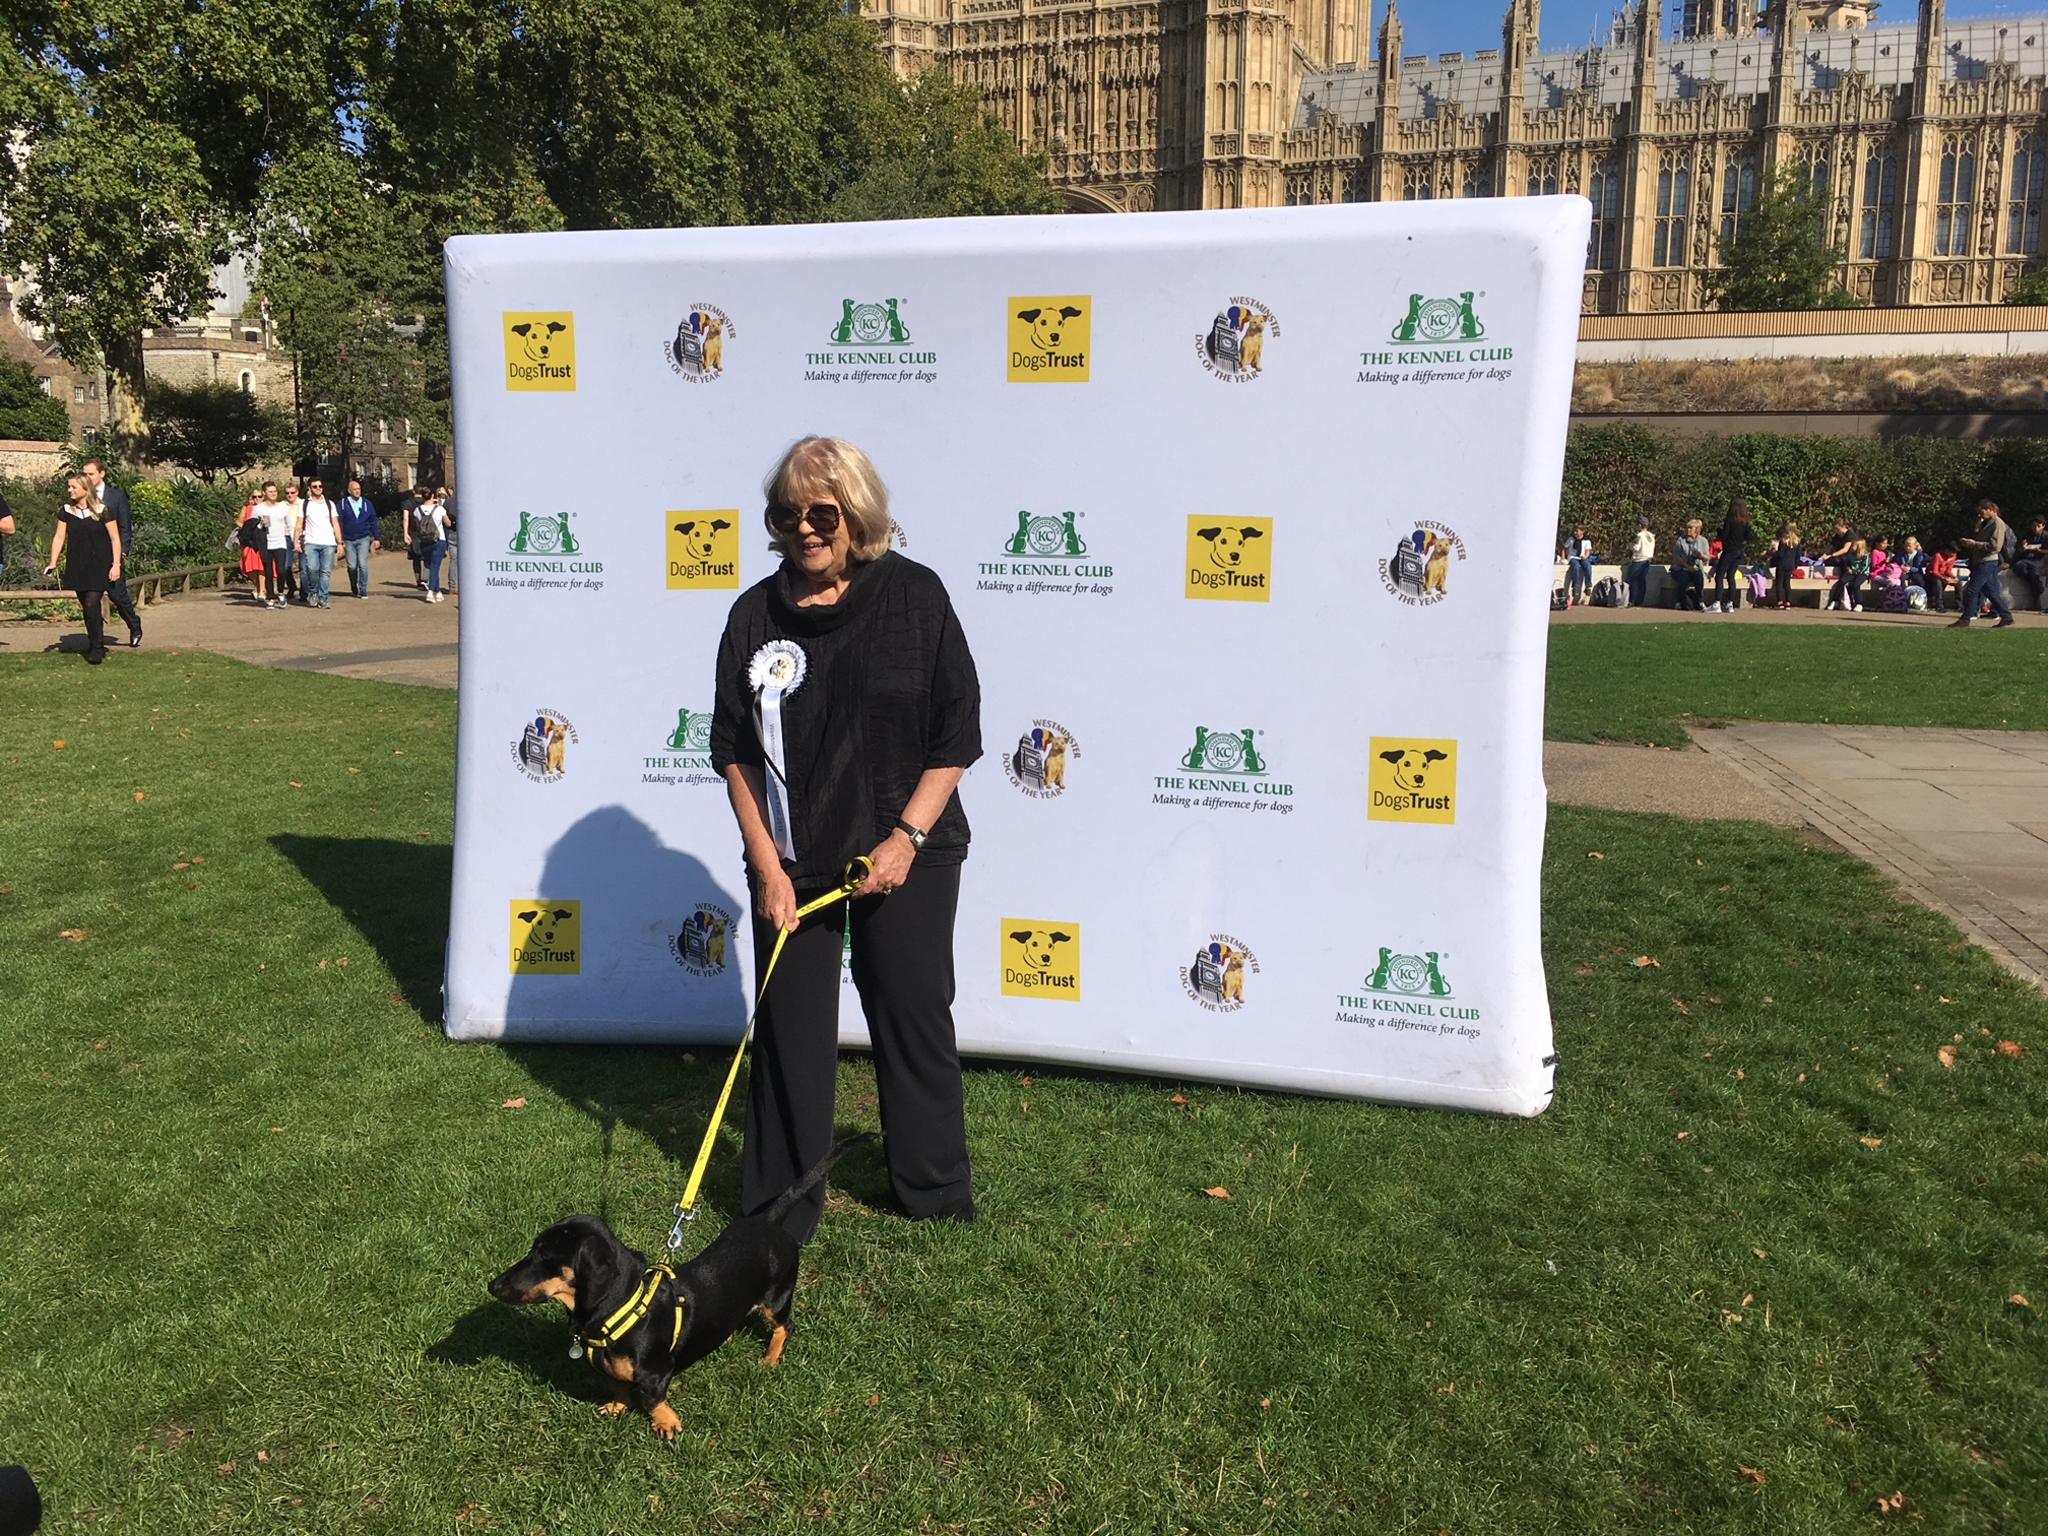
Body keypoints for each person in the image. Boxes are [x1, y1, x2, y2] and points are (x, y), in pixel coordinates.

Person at [710, 436, 981, 1241]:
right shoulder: (753, 614)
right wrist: (766, 865)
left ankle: (934, 1194)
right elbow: (733, 750)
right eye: (786, 513)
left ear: (856, 513)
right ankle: (780, 1209)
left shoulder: (916, 598)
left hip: (911, 846)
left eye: (821, 512)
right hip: (795, 858)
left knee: (911, 1012)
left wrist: (904, 840)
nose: (804, 528)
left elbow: (956, 735)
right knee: (790, 1028)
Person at [43, 472, 121, 664]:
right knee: (86, 607)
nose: (70, 490)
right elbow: (59, 537)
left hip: (99, 565)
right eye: (69, 486)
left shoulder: (104, 511)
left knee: (92, 603)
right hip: (77, 564)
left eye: (74, 487)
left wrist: (116, 564)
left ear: (86, 489)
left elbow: (114, 539)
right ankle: (94, 641)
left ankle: (97, 648)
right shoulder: (67, 511)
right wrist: (53, 562)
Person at [82, 458, 142, 648]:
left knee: (118, 596)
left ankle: (134, 625)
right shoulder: (80, 496)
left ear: (102, 473)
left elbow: (125, 528)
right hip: (89, 556)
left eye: (90, 474)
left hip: (112, 555)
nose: (87, 478)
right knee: (91, 600)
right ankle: (95, 640)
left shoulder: (116, 497)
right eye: (85, 474)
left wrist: (122, 554)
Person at [1953, 498, 2016, 628]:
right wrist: (1975, 534)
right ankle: (2006, 616)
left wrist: (1974, 544)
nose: (1980, 515)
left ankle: (1966, 619)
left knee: (1971, 590)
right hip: (1983, 561)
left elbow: (1995, 547)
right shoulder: (1985, 523)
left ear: (1990, 510)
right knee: (1991, 592)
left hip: (1987, 562)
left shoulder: (1997, 524)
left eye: (1982, 511)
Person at [298, 477, 341, 608]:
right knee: (312, 569)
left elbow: (335, 523)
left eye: (320, 486)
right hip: (311, 542)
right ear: (310, 488)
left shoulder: (330, 504)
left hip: (328, 542)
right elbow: (299, 524)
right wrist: (296, 541)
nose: (318, 488)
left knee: (326, 571)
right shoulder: (305, 504)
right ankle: (313, 592)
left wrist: (340, 542)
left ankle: (323, 597)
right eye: (315, 486)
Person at [338, 478, 379, 598]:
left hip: (363, 538)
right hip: (348, 539)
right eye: (355, 489)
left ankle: (363, 589)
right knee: (352, 566)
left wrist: (376, 538)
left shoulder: (367, 504)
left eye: (359, 489)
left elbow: (373, 521)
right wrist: (339, 540)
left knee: (363, 564)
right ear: (349, 491)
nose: (357, 491)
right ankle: (353, 585)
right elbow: (338, 522)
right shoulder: (342, 504)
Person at [1710, 496, 1752, 613]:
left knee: (1719, 575)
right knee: (1731, 576)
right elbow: (1749, 536)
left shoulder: (1730, 520)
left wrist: (1719, 530)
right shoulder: (1745, 522)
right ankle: (1730, 603)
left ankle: (1717, 602)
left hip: (1729, 551)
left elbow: (1725, 536)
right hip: (1739, 551)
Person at [257, 480, 292, 610]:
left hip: (280, 543)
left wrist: (295, 540)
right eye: (270, 491)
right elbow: (253, 526)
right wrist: (261, 524)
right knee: (268, 572)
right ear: (264, 493)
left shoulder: (283, 507)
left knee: (281, 570)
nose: (273, 493)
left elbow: (290, 524)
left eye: (275, 491)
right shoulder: (259, 508)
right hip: (265, 544)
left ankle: (281, 593)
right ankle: (270, 597)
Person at [415, 489, 452, 602]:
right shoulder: (439, 509)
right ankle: (431, 592)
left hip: (424, 541)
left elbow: (417, 525)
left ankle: (438, 592)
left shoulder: (417, 510)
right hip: (438, 540)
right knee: (435, 567)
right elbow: (448, 523)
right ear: (432, 496)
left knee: (431, 566)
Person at [1819, 518, 1860, 612]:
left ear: (1843, 527)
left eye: (1837, 529)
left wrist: (1831, 555)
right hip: (1840, 559)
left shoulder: (1850, 535)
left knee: (1842, 581)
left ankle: (1836, 601)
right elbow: (1831, 546)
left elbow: (1845, 550)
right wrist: (1825, 554)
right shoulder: (1837, 536)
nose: (1836, 531)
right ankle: (1835, 601)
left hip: (1847, 560)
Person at [1670, 518, 1709, 611]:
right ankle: (1679, 601)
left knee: (1699, 576)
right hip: (1680, 568)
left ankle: (1700, 601)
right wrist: (1687, 567)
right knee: (1684, 578)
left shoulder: (1703, 541)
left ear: (1697, 530)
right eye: (1687, 528)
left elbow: (1708, 557)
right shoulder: (1681, 540)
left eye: (1691, 528)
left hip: (1695, 568)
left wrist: (1701, 556)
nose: (1688, 530)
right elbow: (1676, 556)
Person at [2013, 516, 2048, 613]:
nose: (2035, 528)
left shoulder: (2045, 536)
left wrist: (2039, 550)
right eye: (2034, 526)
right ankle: (2034, 584)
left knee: (2033, 570)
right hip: (2027, 559)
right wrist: (2022, 548)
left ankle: (2036, 590)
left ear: (2043, 526)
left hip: (2040, 560)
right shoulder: (2027, 535)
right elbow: (2018, 549)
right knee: (2019, 566)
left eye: (2038, 526)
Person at [1767, 522, 1801, 609]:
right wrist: (1795, 566)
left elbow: (1780, 554)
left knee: (1779, 583)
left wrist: (1772, 552)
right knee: (1787, 584)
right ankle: (1788, 601)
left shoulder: (1783, 541)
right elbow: (1798, 556)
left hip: (1782, 564)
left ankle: (1779, 601)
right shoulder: (1797, 542)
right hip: (1790, 565)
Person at [1623, 515, 1655, 607]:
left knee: (1631, 579)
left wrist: (1630, 545)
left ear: (1640, 525)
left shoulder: (1639, 536)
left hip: (1639, 560)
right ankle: (1640, 601)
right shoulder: (1651, 536)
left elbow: (1636, 548)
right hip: (1647, 560)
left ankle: (1631, 600)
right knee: (1641, 581)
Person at [1560, 525, 1594, 608]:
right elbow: (1564, 548)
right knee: (1576, 566)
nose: (1576, 533)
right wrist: (1563, 558)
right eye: (1575, 531)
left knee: (1588, 566)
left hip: (1582, 557)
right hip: (1573, 557)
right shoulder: (1571, 539)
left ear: (1582, 532)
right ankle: (1576, 587)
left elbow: (1588, 551)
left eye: (1577, 531)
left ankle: (1588, 586)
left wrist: (1585, 557)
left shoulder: (1586, 541)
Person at [1929, 544, 1960, 614]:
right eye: (1952, 552)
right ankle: (1939, 605)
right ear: (1947, 551)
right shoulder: (1938, 556)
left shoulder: (1953, 557)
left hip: (1944, 575)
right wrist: (1944, 578)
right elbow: (1934, 571)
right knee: (1938, 582)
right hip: (1933, 575)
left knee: (1958, 583)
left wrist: (1953, 577)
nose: (1953, 555)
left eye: (1954, 553)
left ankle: (1959, 605)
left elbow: (1948, 570)